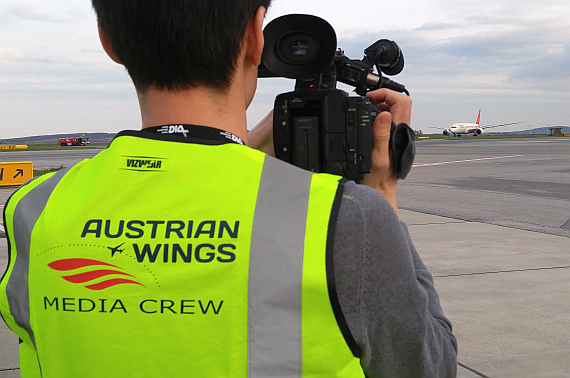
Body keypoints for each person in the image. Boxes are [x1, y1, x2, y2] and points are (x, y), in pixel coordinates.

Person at [0, 1, 457, 377]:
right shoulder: (346, 219)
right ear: (257, 36)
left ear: (109, 43)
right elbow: (430, 366)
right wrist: (383, 194)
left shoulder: (33, 209)